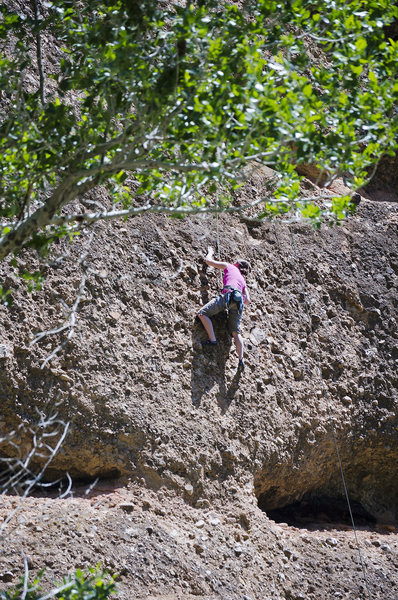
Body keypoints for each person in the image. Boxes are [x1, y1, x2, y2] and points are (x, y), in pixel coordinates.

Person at [198, 246, 251, 370]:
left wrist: (210, 252)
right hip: (238, 302)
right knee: (236, 332)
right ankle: (241, 359)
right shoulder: (243, 281)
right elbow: (248, 300)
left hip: (227, 295)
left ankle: (212, 340)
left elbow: (208, 262)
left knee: (202, 313)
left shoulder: (230, 266)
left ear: (237, 264)